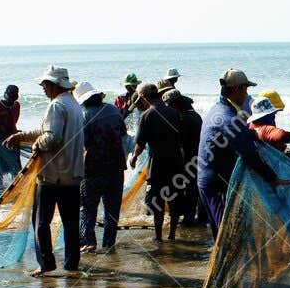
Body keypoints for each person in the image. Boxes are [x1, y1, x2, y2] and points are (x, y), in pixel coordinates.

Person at [3, 65, 84, 276]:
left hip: (52, 177)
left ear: (53, 85)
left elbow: (51, 138)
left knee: (41, 222)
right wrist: (20, 136)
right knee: (71, 223)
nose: (43, 88)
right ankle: (71, 264)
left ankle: (46, 264)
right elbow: (47, 130)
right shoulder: (73, 105)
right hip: (72, 175)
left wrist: (36, 145)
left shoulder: (56, 106)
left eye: (45, 84)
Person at [198, 69, 290, 233]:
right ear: (236, 89)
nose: (246, 94)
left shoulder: (218, 109)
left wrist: (251, 134)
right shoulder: (228, 117)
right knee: (225, 233)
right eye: (245, 89)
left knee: (223, 231)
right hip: (214, 182)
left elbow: (238, 137)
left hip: (212, 177)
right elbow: (248, 154)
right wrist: (272, 178)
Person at [129, 82, 187, 243]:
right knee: (175, 201)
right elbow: (180, 137)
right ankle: (172, 235)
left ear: (144, 98)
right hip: (176, 163)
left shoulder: (146, 116)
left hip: (158, 165)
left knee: (158, 202)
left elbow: (140, 144)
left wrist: (134, 157)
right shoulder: (174, 112)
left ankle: (158, 236)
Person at [79, 82, 128, 253]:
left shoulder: (85, 116)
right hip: (117, 166)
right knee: (112, 208)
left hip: (94, 168)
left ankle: (89, 242)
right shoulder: (113, 110)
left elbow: (82, 143)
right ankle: (109, 242)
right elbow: (123, 133)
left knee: (88, 207)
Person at [165, 89, 206, 235]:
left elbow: (180, 142)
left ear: (176, 104)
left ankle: (188, 220)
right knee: (195, 189)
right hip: (199, 157)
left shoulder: (183, 119)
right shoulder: (195, 116)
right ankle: (200, 219)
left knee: (189, 191)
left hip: (189, 159)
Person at [0, 85, 23, 189]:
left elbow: (15, 120)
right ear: (5, 94)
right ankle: (0, 188)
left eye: (14, 96)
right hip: (0, 140)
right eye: (10, 95)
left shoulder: (16, 105)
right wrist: (0, 135)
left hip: (13, 138)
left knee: (15, 165)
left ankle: (15, 187)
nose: (12, 98)